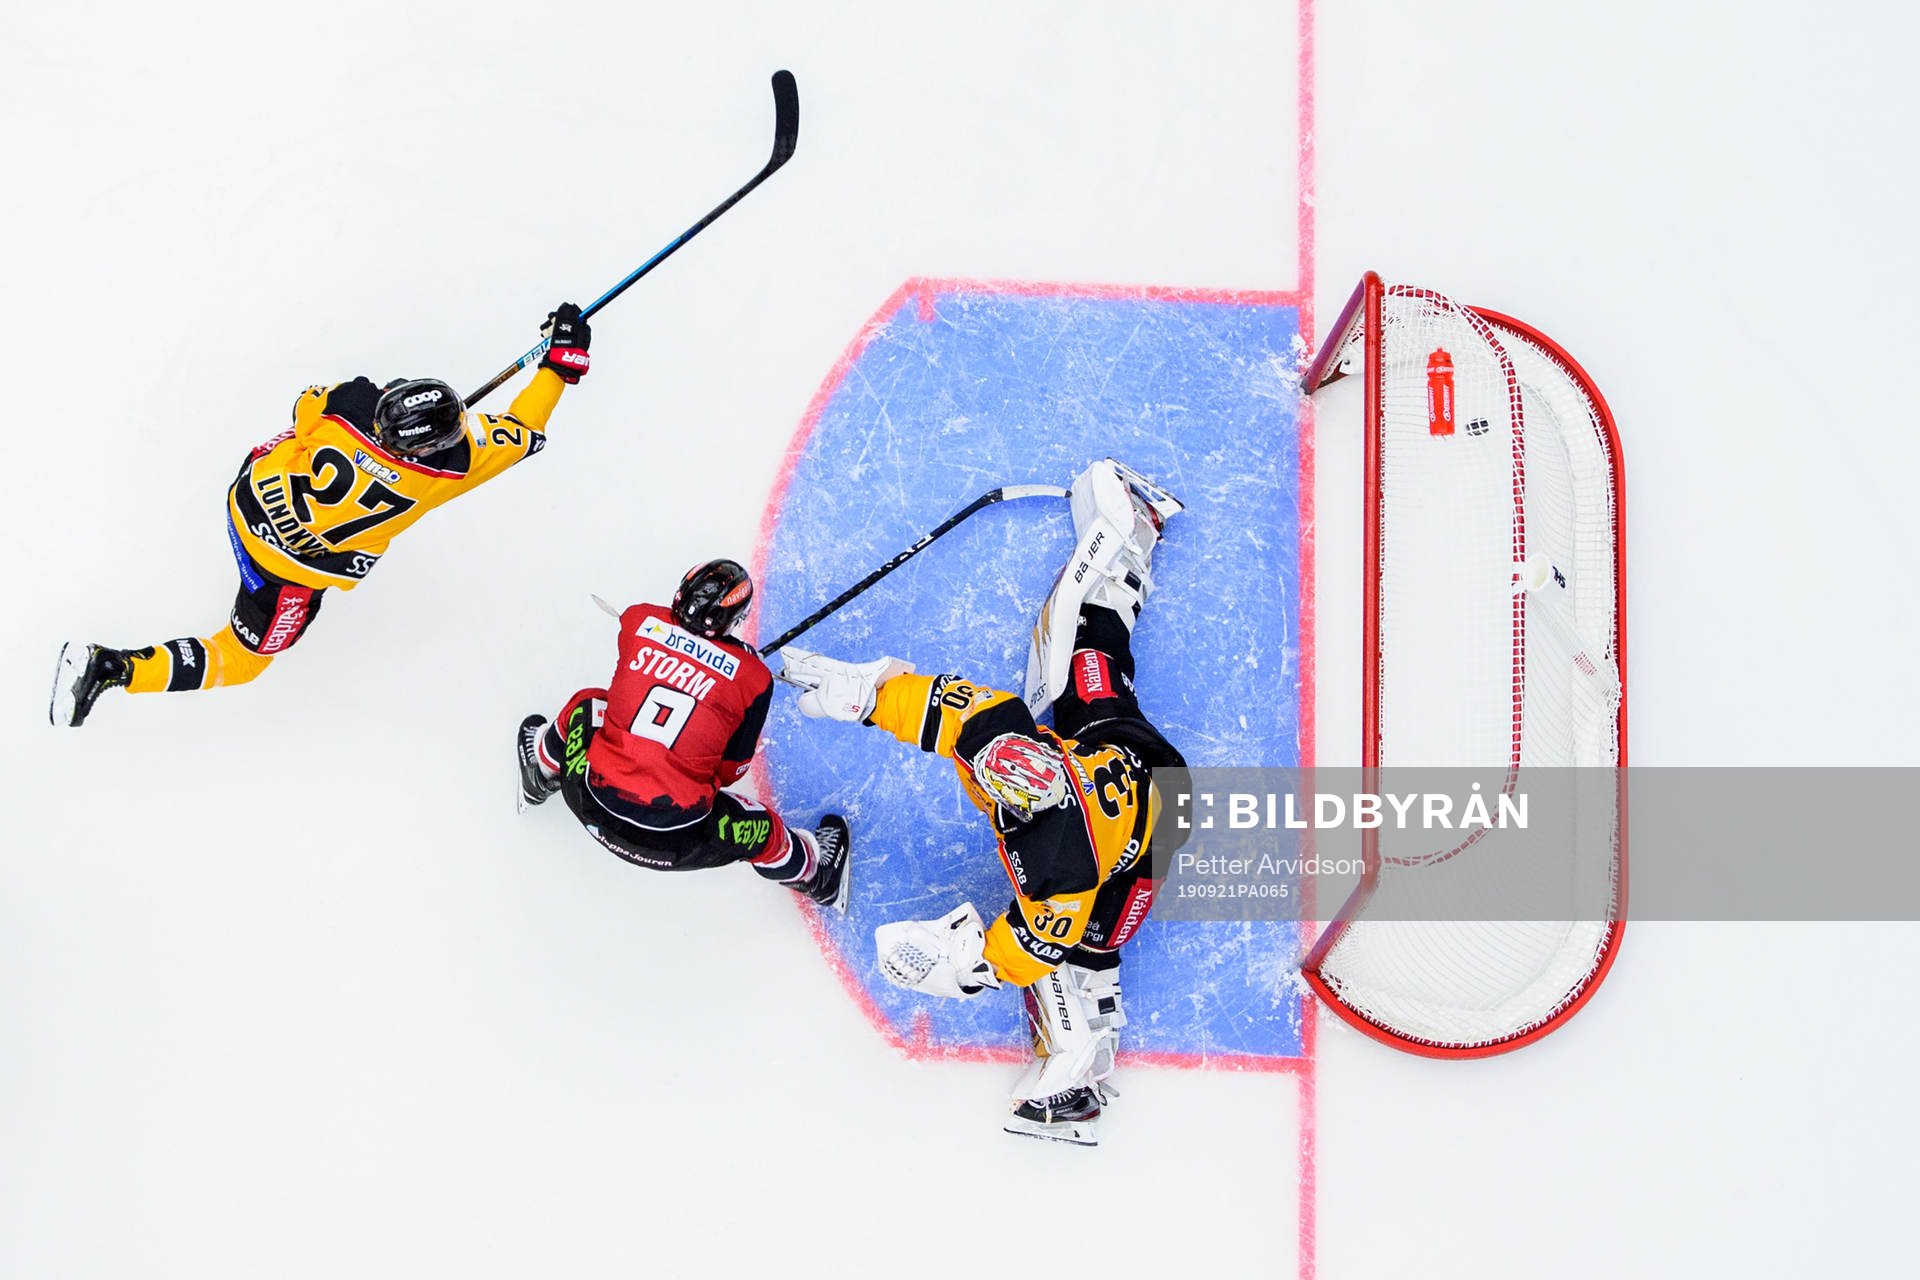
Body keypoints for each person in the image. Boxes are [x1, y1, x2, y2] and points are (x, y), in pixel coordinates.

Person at [781, 459, 1185, 1145]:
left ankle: (1080, 1076)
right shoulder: (999, 733)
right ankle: (1132, 537)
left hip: (1153, 836)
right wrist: (866, 696)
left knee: (1086, 957)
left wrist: (972, 962)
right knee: (1088, 651)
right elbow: (935, 707)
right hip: (1122, 750)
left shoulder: (1060, 867)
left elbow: (1027, 950)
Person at [50, 304, 595, 727]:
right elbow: (524, 427)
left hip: (246, 502)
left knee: (298, 438)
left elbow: (305, 404)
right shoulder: (449, 469)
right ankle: (116, 667)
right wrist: (558, 363)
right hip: (286, 569)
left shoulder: (351, 402)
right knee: (243, 659)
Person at [516, 559, 851, 911]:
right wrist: (737, 669)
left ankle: (540, 774)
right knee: (765, 830)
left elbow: (656, 653)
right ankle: (817, 877)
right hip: (675, 842)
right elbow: (731, 772)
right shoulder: (754, 678)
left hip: (586, 799)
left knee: (588, 704)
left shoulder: (638, 620)